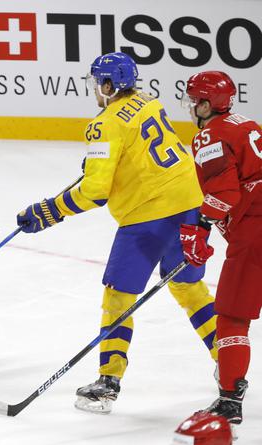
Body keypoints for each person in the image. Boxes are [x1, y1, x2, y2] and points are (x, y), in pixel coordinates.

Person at [15, 52, 218, 414]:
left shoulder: (103, 125)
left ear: (109, 86)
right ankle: (229, 362)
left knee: (118, 297)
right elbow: (142, 151)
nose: (95, 89)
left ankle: (108, 382)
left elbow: (94, 192)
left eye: (98, 83)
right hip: (190, 202)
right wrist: (105, 160)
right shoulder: (148, 101)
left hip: (148, 215)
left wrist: (49, 211)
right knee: (189, 287)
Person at [176, 71, 262, 431]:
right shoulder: (247, 124)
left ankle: (229, 401)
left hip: (254, 233)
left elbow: (225, 194)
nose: (192, 107)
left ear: (208, 104)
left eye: (195, 100)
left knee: (230, 316)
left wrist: (199, 225)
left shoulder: (210, 135)